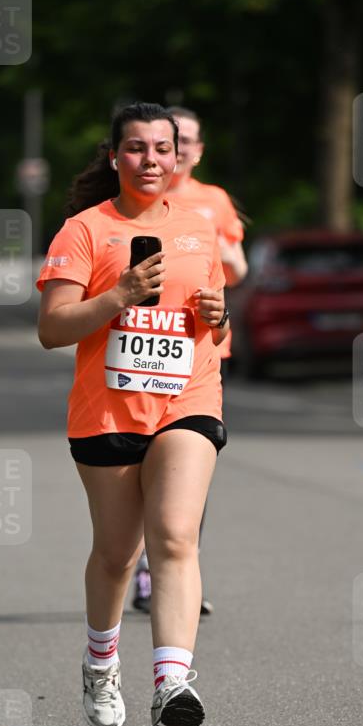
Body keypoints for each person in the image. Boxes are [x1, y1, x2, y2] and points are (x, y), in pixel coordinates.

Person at [36, 102, 229, 726]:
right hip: (109, 410)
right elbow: (52, 329)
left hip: (187, 399)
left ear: (179, 157)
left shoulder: (199, 228)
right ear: (116, 155)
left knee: (174, 535)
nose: (151, 159)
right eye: (137, 148)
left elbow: (213, 324)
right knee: (118, 555)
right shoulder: (84, 231)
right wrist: (118, 295)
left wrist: (219, 315)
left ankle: (172, 683)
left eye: (162, 148)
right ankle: (100, 665)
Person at [131, 106, 247, 615]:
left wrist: (210, 244)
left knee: (186, 467)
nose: (178, 151)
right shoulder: (135, 197)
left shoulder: (213, 201)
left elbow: (237, 269)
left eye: (188, 142)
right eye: (169, 142)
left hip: (201, 351)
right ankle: (142, 570)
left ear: (197, 151)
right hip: (138, 350)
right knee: (137, 467)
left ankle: (177, 569)